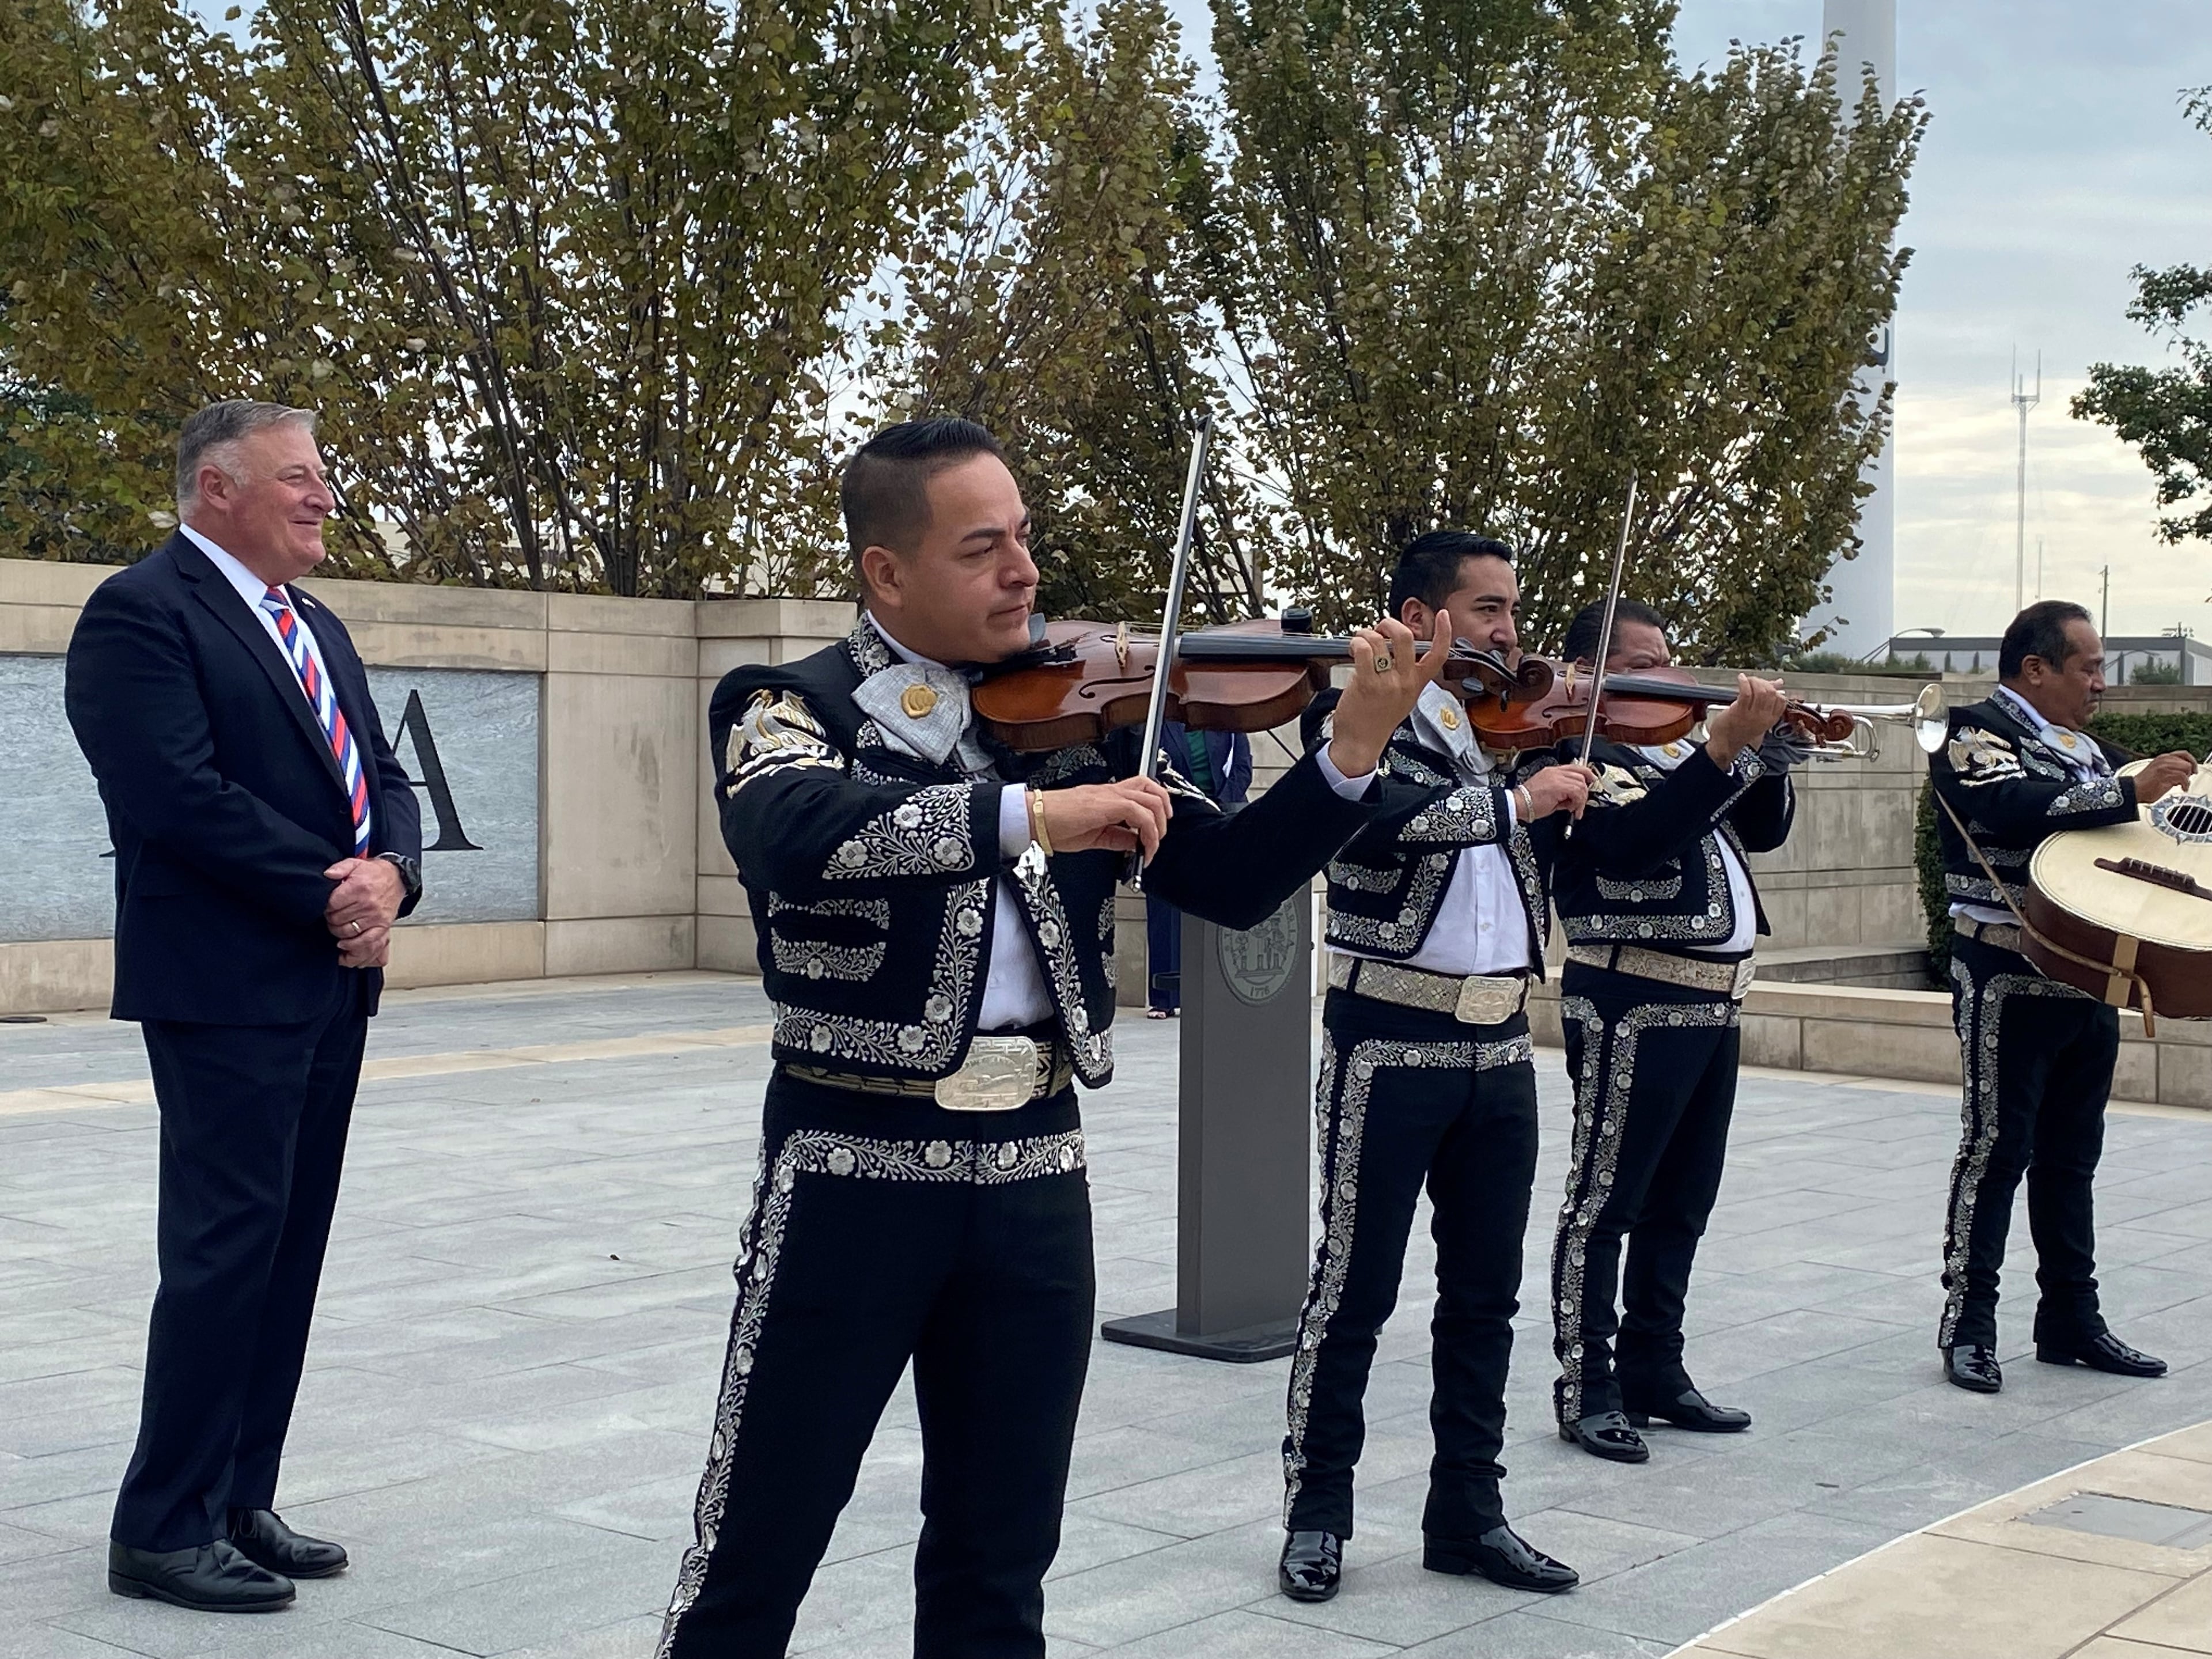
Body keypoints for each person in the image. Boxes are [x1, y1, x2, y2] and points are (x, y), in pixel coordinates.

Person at [658, 417, 1444, 1659]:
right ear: (886, 571)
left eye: (1023, 536)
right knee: (762, 1537)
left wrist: (1349, 751)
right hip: (850, 1169)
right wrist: (1035, 813)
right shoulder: (789, 704)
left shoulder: (1078, 720)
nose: (1026, 570)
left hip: (1036, 1174)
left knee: (1002, 1552)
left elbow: (1234, 879)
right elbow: (787, 827)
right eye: (985, 548)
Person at [65, 401, 424, 1613]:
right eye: (299, 479)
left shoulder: (316, 622)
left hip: (328, 982)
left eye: (323, 477)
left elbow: (379, 774)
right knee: (224, 1250)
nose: (325, 498)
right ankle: (160, 1524)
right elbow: (176, 796)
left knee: (286, 1249)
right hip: (224, 986)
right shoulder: (141, 613)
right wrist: (337, 891)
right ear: (216, 489)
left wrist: (395, 876)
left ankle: (236, 1496)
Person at [1277, 532, 1595, 1607]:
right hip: (1390, 1038)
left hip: (1502, 1044)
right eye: (1490, 609)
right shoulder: (1360, 715)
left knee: (1484, 1298)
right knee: (1353, 1288)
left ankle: (1469, 1510)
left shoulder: (1487, 727)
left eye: (1513, 608)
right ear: (1420, 615)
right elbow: (1381, 826)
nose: (1511, 631)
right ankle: (1318, 1511)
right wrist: (1522, 802)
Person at [1541, 600, 1797, 1464]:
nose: (1672, 678)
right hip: (1629, 992)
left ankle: (1658, 1367)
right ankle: (1588, 1384)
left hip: (1714, 1000)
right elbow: (1632, 844)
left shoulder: (1682, 745)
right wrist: (1724, 750)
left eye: (1670, 660)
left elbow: (1763, 830)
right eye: (1646, 663)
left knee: (1685, 1201)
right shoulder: (1577, 749)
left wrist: (1765, 751)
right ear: (1592, 672)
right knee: (1607, 1199)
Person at [1929, 600, 2196, 1395]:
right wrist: (2128, 792)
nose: (2101, 684)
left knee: (2073, 1158)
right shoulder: (1970, 731)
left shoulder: (2086, 749)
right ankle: (1968, 1326)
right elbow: (2007, 808)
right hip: (2006, 971)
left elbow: (2145, 822)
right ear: (2035, 668)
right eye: (2088, 667)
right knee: (1995, 1150)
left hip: (2088, 974)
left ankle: (2071, 1320)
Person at [1144, 722, 1252, 1016]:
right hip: (1173, 821)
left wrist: (1218, 807)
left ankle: (1208, 991)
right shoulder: (1160, 723)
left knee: (1212, 906)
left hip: (1217, 820)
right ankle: (1163, 998)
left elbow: (1242, 769)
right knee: (1164, 910)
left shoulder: (1227, 724)